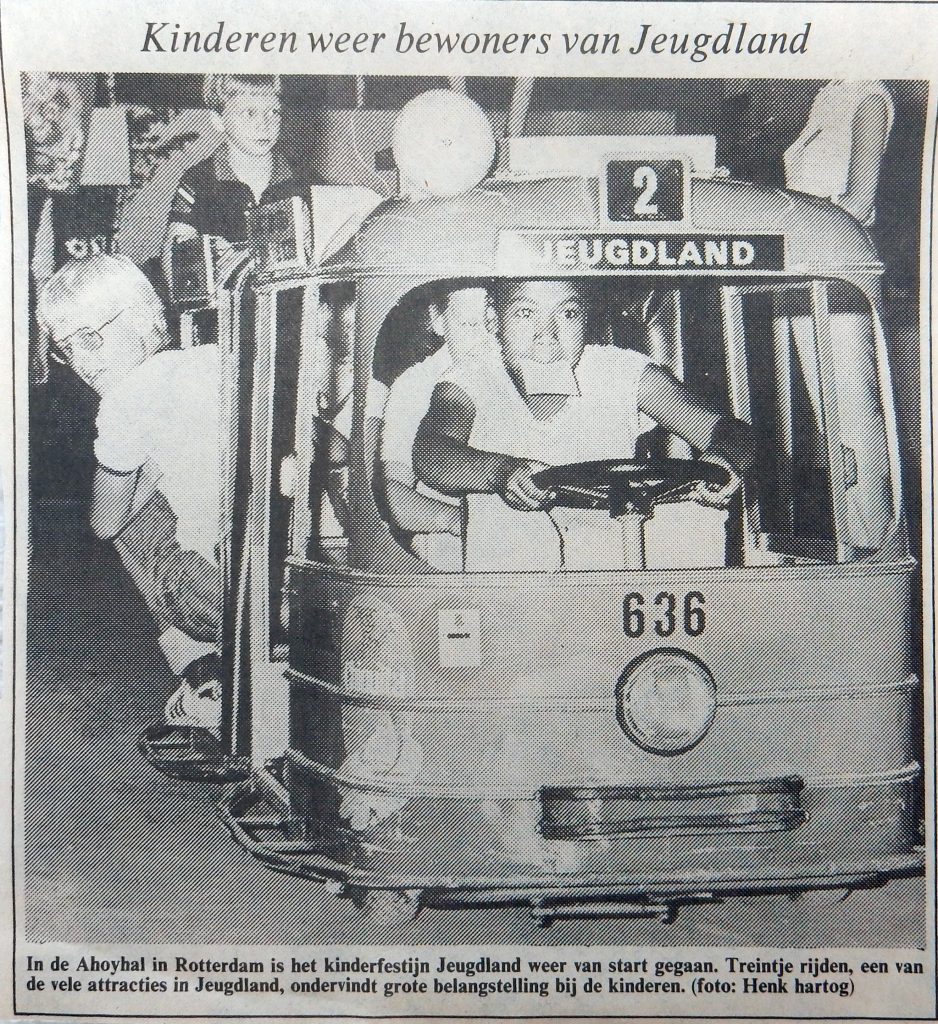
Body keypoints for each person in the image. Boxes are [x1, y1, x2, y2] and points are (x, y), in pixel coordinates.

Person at [414, 279, 755, 571]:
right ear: (493, 320)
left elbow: (732, 432)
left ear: (586, 319)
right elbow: (432, 452)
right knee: (512, 523)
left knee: (693, 524)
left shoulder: (622, 373)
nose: (546, 335)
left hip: (612, 572)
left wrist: (724, 458)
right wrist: (499, 472)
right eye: (525, 313)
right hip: (519, 592)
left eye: (567, 314)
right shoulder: (470, 381)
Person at [37, 254, 223, 732]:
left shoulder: (125, 399)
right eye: (66, 349)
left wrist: (153, 472)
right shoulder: (218, 357)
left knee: (129, 521)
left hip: (218, 594)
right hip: (306, 573)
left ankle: (204, 675)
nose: (82, 361)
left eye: (91, 338)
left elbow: (105, 521)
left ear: (140, 318)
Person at [380, 285, 494, 568]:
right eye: (469, 325)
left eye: (491, 324)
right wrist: (461, 521)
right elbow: (393, 497)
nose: (484, 340)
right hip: (449, 560)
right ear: (438, 320)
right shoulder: (414, 386)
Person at [162, 73, 308, 284]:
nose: (264, 125)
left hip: (289, 311)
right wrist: (205, 256)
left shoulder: (300, 178)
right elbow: (174, 260)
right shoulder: (199, 181)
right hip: (225, 311)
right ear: (218, 120)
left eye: (273, 112)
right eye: (249, 113)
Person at [784, 80, 894, 227]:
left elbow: (859, 206)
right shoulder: (831, 93)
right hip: (808, 232)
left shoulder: (870, 98)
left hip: (832, 238)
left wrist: (791, 220)